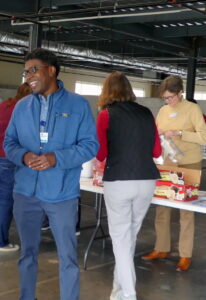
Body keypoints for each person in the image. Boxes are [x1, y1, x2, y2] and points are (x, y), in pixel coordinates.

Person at [4, 48, 99, 300]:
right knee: (27, 254)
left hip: (62, 194)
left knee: (67, 257)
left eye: (33, 70)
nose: (28, 77)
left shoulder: (77, 105)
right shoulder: (22, 107)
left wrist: (56, 159)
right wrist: (24, 157)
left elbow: (90, 145)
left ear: (52, 70)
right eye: (26, 72)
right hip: (25, 192)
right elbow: (9, 143)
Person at [96, 71, 161, 300]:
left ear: (106, 90)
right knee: (129, 237)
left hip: (119, 181)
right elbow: (157, 151)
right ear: (129, 89)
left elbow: (101, 154)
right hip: (146, 181)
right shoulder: (146, 113)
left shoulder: (106, 115)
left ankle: (129, 294)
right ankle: (118, 291)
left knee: (122, 239)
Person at [142, 75, 206, 271]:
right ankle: (161, 247)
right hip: (167, 162)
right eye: (165, 98)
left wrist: (180, 133)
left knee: (186, 210)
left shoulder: (192, 109)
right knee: (162, 206)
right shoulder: (162, 110)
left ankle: (185, 254)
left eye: (171, 97)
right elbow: (156, 131)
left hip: (189, 163)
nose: (168, 101)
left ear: (180, 93)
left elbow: (204, 137)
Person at [0, 82, 31, 252]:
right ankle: (1, 241)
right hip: (8, 159)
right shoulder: (24, 110)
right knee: (5, 202)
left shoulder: (4, 105)